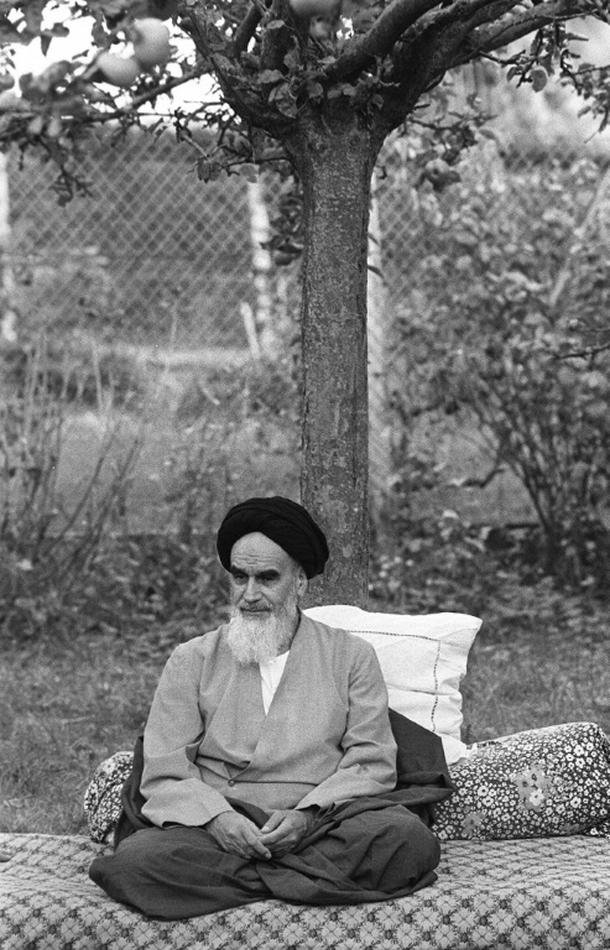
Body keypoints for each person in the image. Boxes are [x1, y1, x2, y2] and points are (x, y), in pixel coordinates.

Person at [89, 496, 449, 919]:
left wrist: (307, 816)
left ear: (300, 582)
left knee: (406, 839)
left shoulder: (351, 657)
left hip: (322, 821)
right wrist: (218, 821)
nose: (249, 595)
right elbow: (165, 770)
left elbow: (371, 762)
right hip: (220, 823)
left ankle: (242, 880)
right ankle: (305, 879)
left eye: (267, 578)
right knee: (136, 862)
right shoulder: (192, 659)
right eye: (239, 577)